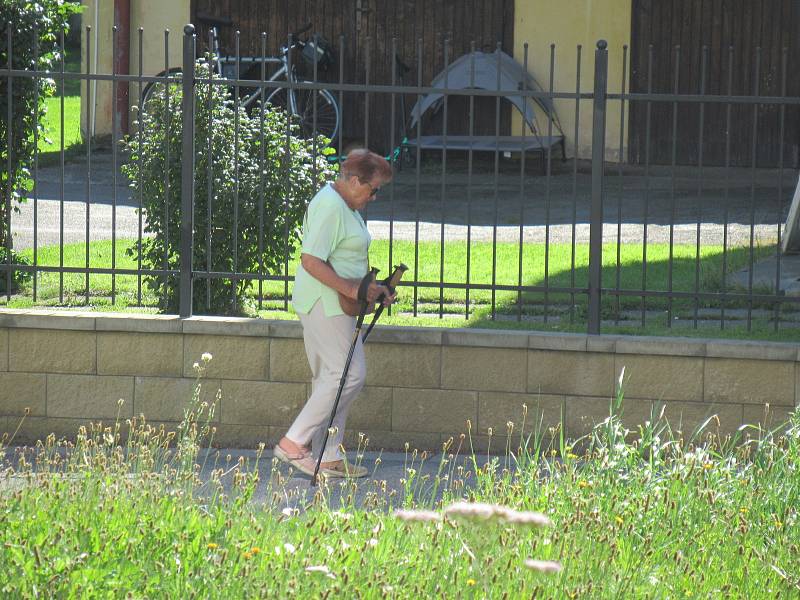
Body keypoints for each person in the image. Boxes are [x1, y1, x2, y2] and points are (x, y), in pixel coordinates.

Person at [274, 149, 395, 478]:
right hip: (324, 303)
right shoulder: (329, 205)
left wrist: (372, 288)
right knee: (347, 375)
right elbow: (311, 260)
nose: (374, 197)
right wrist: (351, 290)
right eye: (373, 189)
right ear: (355, 181)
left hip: (338, 303)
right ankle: (293, 443)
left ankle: (326, 455)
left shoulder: (346, 205)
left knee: (331, 379)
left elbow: (345, 257)